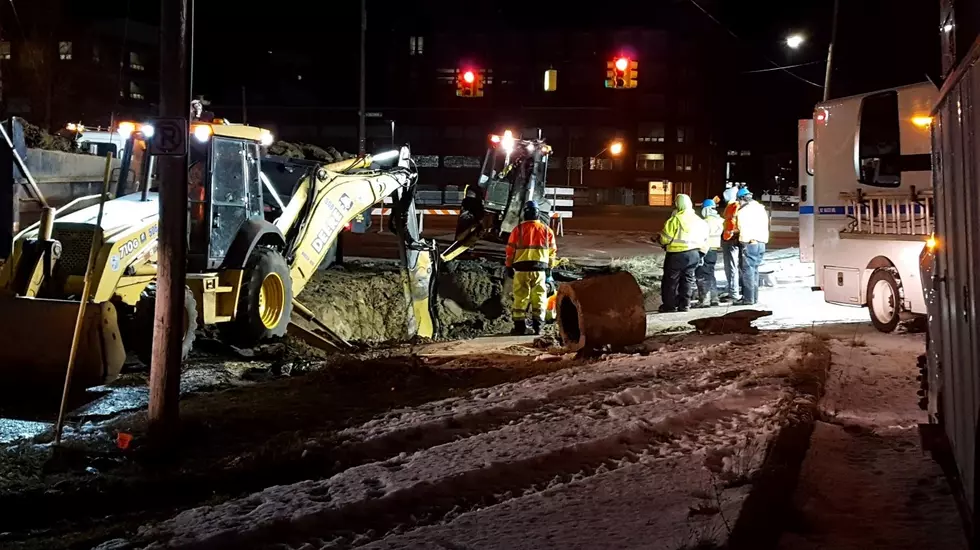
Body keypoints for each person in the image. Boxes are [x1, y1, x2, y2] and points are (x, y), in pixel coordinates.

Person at [505, 201, 558, 335]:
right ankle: (538, 327)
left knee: (520, 298)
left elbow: (510, 250)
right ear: (538, 214)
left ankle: (519, 328)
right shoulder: (547, 230)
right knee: (539, 298)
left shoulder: (518, 229)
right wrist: (549, 269)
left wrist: (508, 266)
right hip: (539, 271)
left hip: (521, 270)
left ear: (525, 214)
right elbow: (552, 252)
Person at [658, 194, 708, 312]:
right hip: (694, 254)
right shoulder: (699, 220)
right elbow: (705, 239)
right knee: (687, 279)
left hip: (676, 254)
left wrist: (660, 240)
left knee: (671, 281)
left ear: (677, 204)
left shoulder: (675, 219)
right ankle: (685, 305)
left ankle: (669, 306)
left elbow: (665, 238)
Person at [734, 188, 769, 305]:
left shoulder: (744, 211)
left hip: (749, 243)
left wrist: (741, 241)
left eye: (739, 201)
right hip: (761, 243)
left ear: (742, 199)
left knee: (747, 271)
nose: (738, 204)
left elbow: (741, 227)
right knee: (754, 270)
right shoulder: (761, 209)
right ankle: (754, 298)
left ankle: (748, 299)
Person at [696, 199, 724, 307]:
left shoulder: (705, 222)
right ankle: (714, 298)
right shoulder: (720, 221)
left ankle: (704, 300)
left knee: (702, 275)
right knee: (711, 275)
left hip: (705, 251)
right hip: (714, 251)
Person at [721, 185, 741, 302]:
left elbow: (732, 224)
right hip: (732, 238)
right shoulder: (734, 206)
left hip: (730, 239)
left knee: (731, 267)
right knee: (732, 267)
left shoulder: (733, 207)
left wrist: (728, 235)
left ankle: (733, 293)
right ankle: (733, 290)